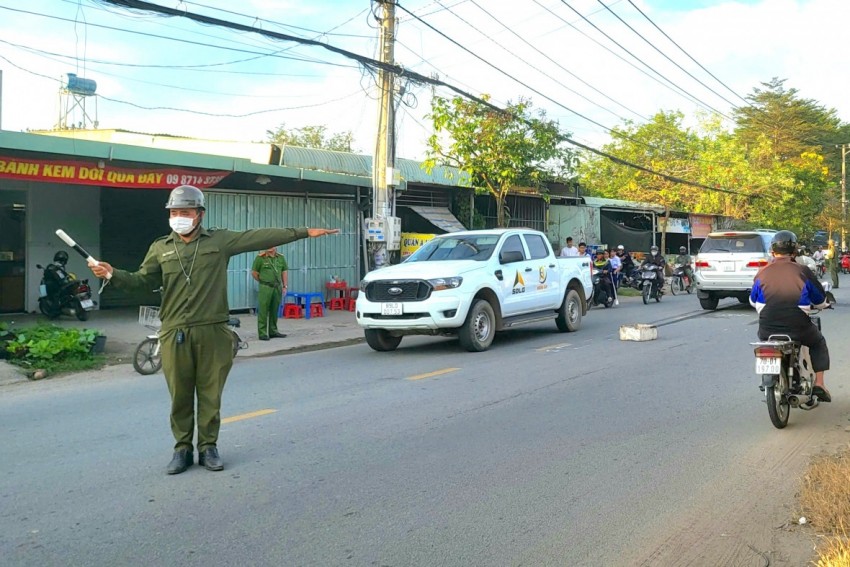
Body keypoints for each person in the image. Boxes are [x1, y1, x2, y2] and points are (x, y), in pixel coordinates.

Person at [88, 185, 340, 474]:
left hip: (212, 330)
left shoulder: (219, 241)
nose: (178, 217)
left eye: (185, 212)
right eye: (174, 212)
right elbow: (141, 281)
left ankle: (208, 447)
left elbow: (258, 237)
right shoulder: (161, 248)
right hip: (174, 331)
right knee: (180, 395)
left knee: (210, 394)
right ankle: (181, 449)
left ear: (200, 215)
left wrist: (303, 232)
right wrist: (112, 274)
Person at [750, 230, 831, 402]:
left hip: (767, 330)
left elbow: (752, 300)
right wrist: (824, 305)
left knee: (765, 342)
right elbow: (820, 300)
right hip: (798, 328)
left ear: (773, 251)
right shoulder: (802, 271)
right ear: (795, 251)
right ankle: (820, 384)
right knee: (818, 342)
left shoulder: (762, 273)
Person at [252, 246, 288, 341]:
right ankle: (262, 333)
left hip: (277, 287)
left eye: (272, 245)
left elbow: (284, 272)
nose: (270, 247)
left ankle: (273, 331)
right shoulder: (260, 258)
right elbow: (254, 273)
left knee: (274, 309)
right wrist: (263, 281)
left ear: (276, 246)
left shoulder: (280, 257)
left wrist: (285, 286)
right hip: (265, 287)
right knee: (263, 309)